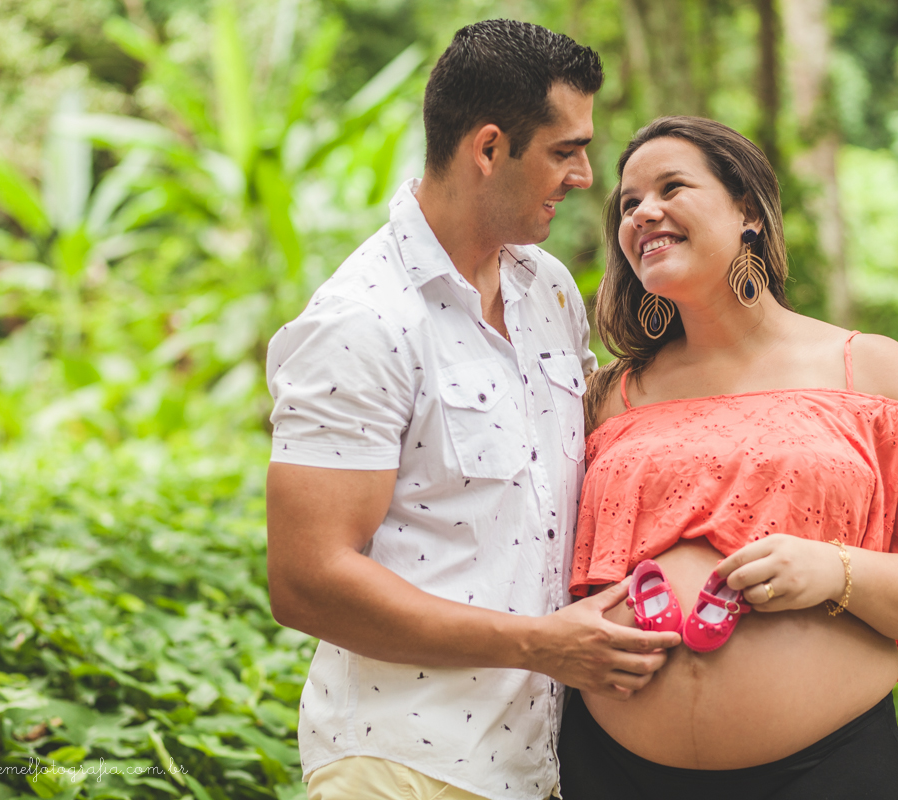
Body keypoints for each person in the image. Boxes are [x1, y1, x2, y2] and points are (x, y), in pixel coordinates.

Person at [264, 20, 680, 800]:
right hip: (400, 768)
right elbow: (306, 580)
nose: (587, 176)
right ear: (488, 149)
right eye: (566, 150)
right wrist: (542, 645)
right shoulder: (363, 321)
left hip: (541, 766)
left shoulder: (547, 286)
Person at [556, 116, 898, 799]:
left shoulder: (867, 368)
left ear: (748, 214)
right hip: (611, 769)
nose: (643, 212)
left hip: (825, 768)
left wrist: (835, 569)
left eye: (671, 186)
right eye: (627, 204)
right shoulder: (607, 396)